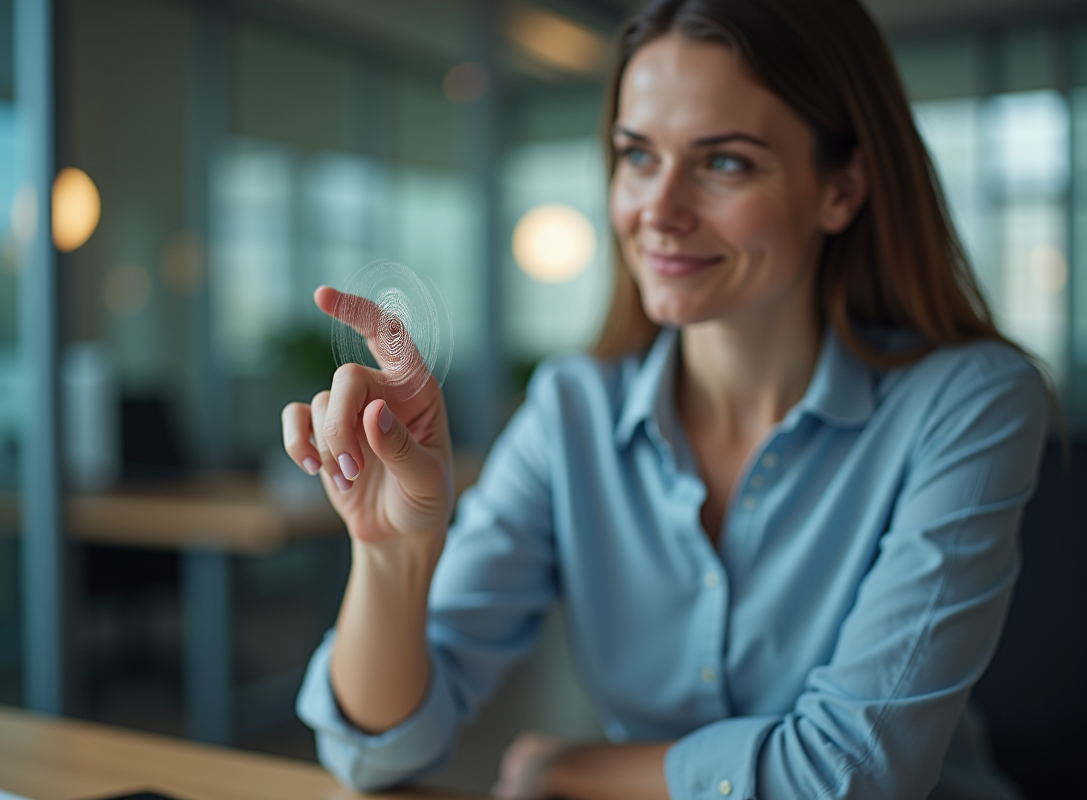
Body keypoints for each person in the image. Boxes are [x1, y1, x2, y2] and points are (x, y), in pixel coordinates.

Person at [281, 0, 1051, 797]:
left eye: (725, 163)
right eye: (638, 155)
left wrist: (573, 769)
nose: (659, 210)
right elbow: (374, 756)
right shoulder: (570, 411)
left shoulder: (969, 402)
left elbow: (854, 778)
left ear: (841, 189)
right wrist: (392, 555)